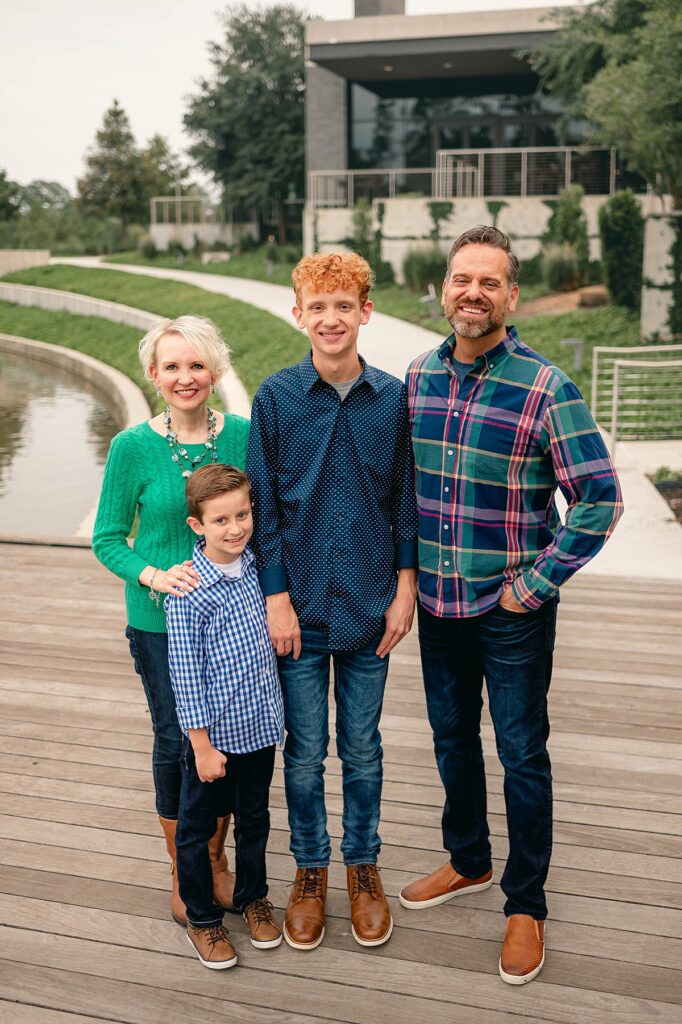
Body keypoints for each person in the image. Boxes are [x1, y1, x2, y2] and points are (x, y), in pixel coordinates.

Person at [400, 225, 623, 984]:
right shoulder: (418, 377)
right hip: (438, 602)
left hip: (512, 608)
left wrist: (536, 583)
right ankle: (468, 860)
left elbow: (598, 498)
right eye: (462, 280)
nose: (472, 294)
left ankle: (525, 903)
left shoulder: (545, 386)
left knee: (522, 753)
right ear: (444, 289)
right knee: (451, 739)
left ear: (512, 295)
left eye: (489, 282)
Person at [246, 252, 418, 951]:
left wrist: (405, 591)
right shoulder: (275, 398)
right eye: (317, 307)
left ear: (364, 312)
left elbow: (405, 503)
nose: (330, 319)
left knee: (365, 749)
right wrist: (276, 599)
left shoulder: (394, 399)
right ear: (299, 315)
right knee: (307, 750)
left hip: (372, 604)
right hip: (302, 610)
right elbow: (264, 511)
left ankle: (363, 867)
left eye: (343, 306)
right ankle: (310, 870)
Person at [93, 315, 249, 925]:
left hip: (231, 622)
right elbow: (108, 540)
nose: (186, 378)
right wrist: (153, 575)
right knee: (175, 739)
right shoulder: (131, 448)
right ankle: (183, 872)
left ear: (215, 370)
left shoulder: (240, 434)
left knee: (227, 735)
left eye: (197, 365)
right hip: (159, 623)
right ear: (153, 375)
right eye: (172, 366)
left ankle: (213, 861)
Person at [165, 463, 284, 969]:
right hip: (214, 740)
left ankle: (253, 896)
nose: (235, 527)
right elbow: (186, 674)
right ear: (198, 525)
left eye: (243, 514)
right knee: (197, 827)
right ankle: (202, 919)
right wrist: (200, 744)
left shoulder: (258, 568)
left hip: (259, 728)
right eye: (221, 520)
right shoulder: (189, 591)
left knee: (254, 818)